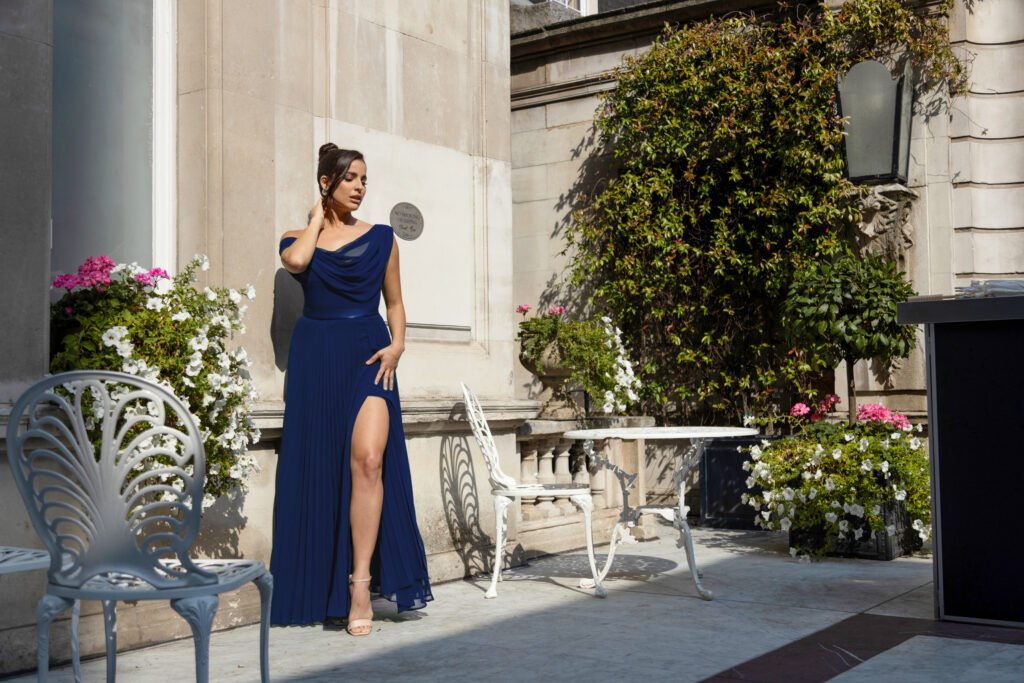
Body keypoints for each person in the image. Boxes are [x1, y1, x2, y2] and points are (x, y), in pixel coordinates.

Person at [270, 143, 433, 635]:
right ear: (327, 183)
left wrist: (398, 344)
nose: (361, 187)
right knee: (322, 467)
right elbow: (297, 262)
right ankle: (324, 581)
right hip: (317, 358)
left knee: (369, 459)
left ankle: (361, 583)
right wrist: (316, 218)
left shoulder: (383, 238)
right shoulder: (295, 238)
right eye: (350, 179)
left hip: (368, 353)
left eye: (364, 178)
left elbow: (396, 302)